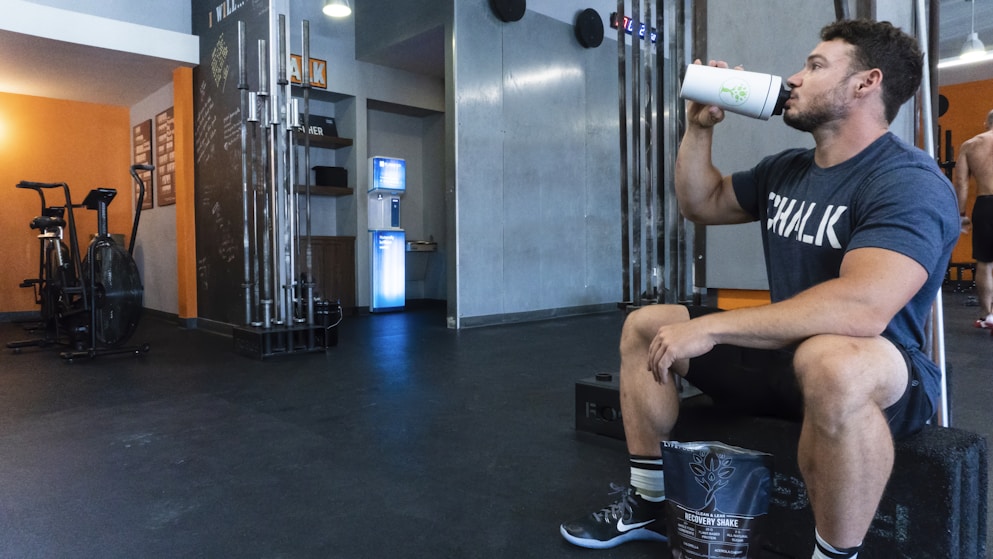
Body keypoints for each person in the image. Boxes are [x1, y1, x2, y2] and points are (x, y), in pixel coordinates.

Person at [559, 19, 959, 559]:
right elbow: (700, 203)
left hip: (881, 371)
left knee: (832, 360)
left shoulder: (906, 180)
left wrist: (711, 326)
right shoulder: (788, 169)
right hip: (790, 359)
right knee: (648, 324)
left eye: (816, 66)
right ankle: (650, 502)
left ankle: (836, 555)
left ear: (866, 83)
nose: (794, 78)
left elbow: (862, 307)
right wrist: (698, 128)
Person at [953, 109, 993, 332]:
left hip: (986, 205)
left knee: (985, 263)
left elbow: (961, 183)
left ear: (986, 122)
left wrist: (961, 215)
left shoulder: (971, 145)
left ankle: (987, 315)